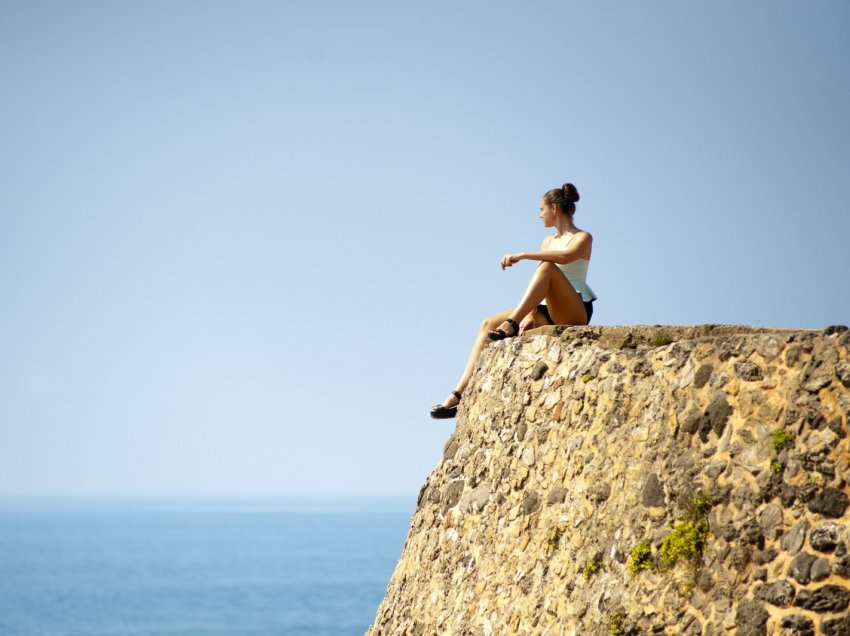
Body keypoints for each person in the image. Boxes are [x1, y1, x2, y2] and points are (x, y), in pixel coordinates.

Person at [430, 182, 597, 419]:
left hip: (575, 309)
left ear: (554, 209)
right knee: (487, 325)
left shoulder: (583, 237)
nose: (539, 215)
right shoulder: (547, 241)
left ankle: (512, 322)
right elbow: (541, 284)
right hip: (546, 307)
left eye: (541, 209)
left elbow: (566, 257)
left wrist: (523, 255)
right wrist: (530, 314)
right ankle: (459, 394)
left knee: (548, 267)